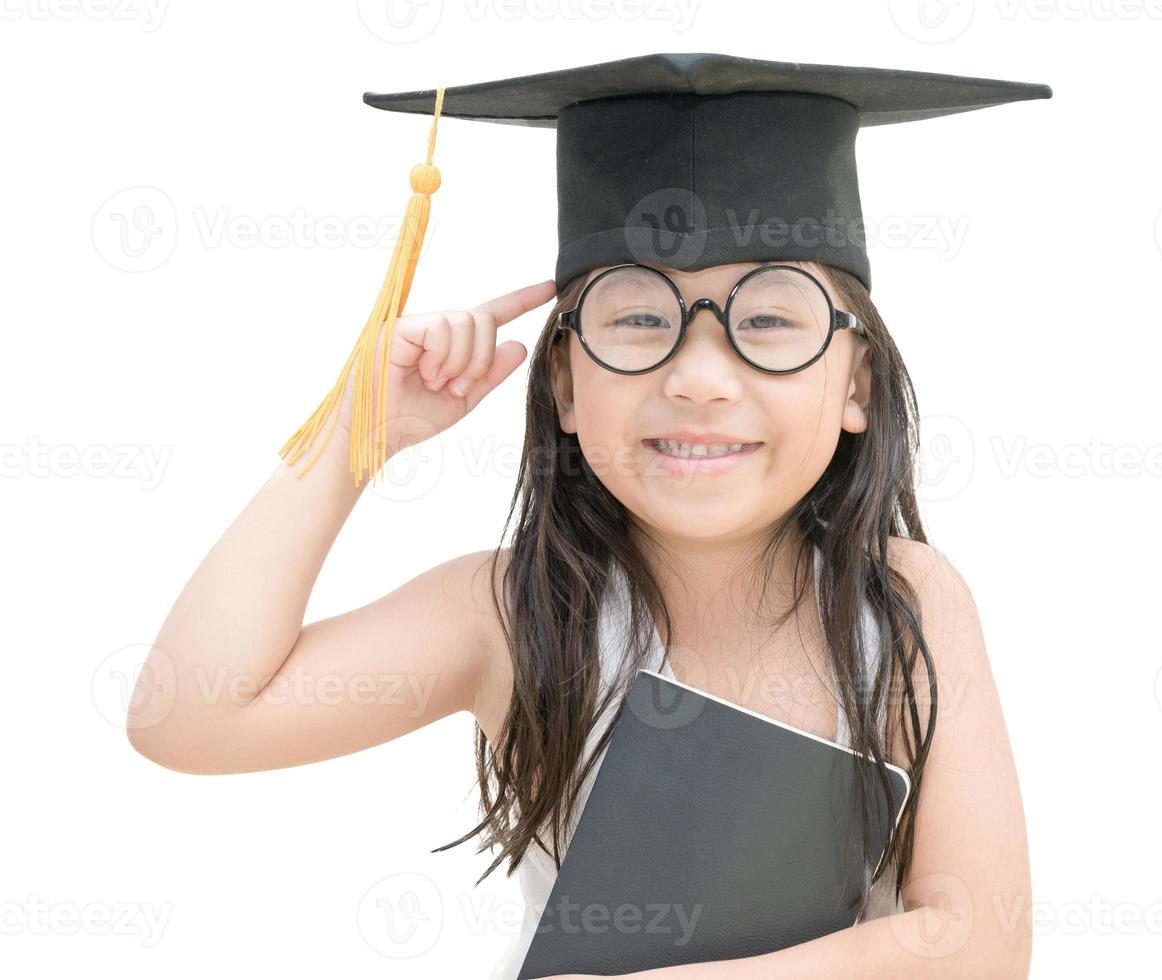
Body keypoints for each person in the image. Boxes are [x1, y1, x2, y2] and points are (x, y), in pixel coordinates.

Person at [127, 52, 1045, 978]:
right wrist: (353, 437)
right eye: (639, 320)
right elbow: (189, 718)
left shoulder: (897, 602)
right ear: (562, 383)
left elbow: (981, 944)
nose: (697, 379)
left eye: (769, 322)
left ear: (858, 384)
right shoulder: (510, 616)